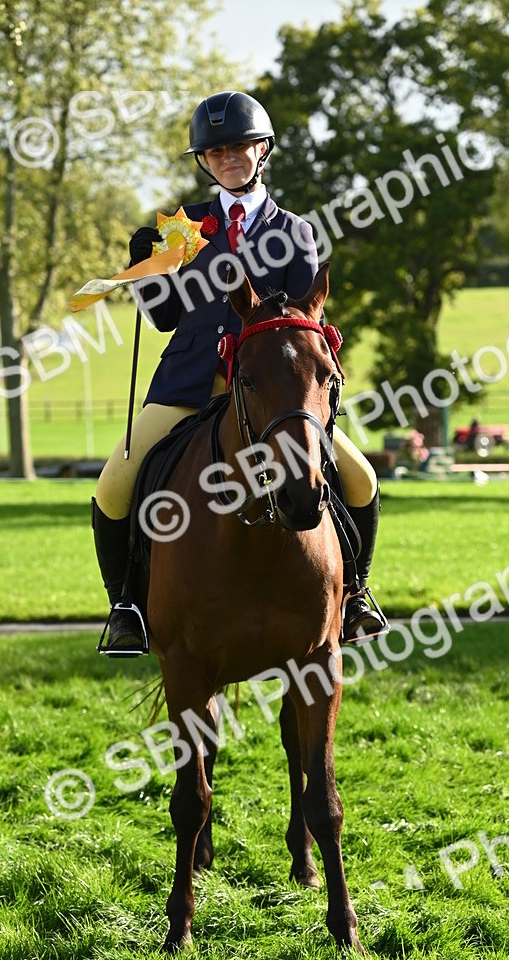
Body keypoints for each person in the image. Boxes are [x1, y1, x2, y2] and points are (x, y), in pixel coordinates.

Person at [91, 90, 388, 655]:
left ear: (263, 150)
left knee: (360, 480)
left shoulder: (295, 233)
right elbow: (163, 318)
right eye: (217, 151)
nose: (229, 158)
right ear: (205, 161)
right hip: (187, 384)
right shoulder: (184, 229)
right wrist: (145, 269)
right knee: (112, 487)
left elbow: (304, 315)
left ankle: (355, 597)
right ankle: (127, 605)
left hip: (269, 389)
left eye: (240, 147)